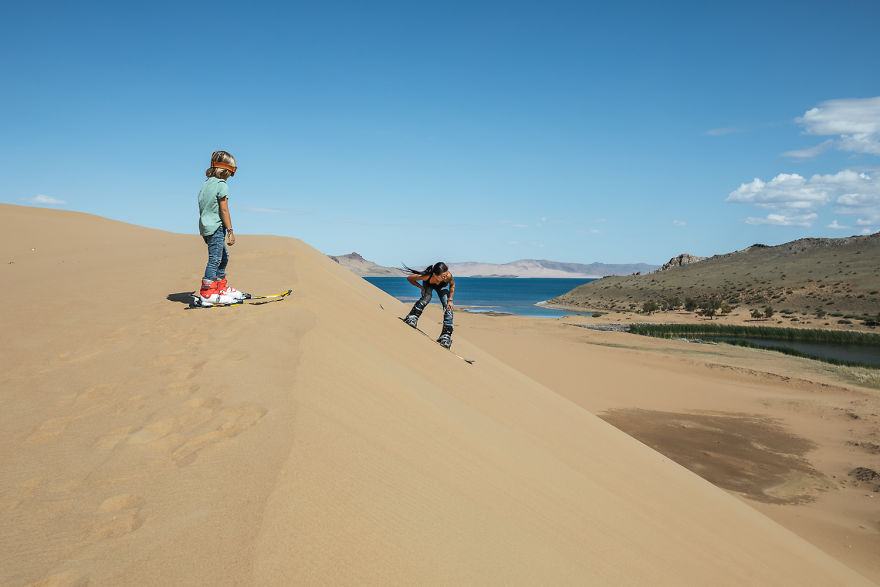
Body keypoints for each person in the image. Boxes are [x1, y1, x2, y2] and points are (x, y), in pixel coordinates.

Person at [195, 150, 248, 306]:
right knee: (215, 259)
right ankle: (207, 292)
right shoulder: (221, 185)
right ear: (225, 169)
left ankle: (220, 288)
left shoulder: (206, 184)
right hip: (216, 227)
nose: (232, 174)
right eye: (233, 170)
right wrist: (230, 231)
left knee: (223, 257)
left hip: (205, 227)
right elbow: (224, 210)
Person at [402, 262, 455, 347]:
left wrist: (450, 299)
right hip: (428, 284)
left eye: (446, 274)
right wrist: (421, 287)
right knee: (427, 296)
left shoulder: (448, 276)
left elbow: (452, 285)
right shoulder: (427, 276)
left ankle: (446, 336)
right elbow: (410, 278)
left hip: (442, 288)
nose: (445, 277)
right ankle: (412, 317)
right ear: (434, 274)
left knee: (448, 306)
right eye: (442, 276)